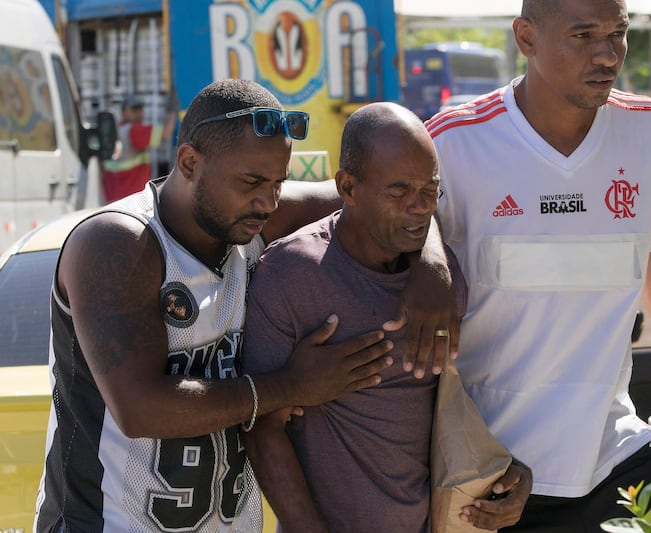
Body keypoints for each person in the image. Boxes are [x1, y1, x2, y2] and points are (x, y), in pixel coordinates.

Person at [33, 79, 456, 532]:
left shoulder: (252, 218)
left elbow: (393, 203)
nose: (269, 200)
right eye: (252, 181)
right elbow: (139, 409)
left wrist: (433, 270)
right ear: (190, 161)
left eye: (279, 183)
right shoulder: (119, 241)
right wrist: (292, 386)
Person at [425, 0, 651, 531]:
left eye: (618, 33)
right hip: (488, 478)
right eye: (584, 35)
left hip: (613, 458)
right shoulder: (451, 144)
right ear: (525, 37)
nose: (608, 54)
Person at [239, 102, 469, 532]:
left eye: (431, 190)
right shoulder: (293, 273)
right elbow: (261, 427)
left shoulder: (439, 283)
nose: (419, 208)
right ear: (347, 186)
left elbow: (462, 399)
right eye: (398, 192)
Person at [101, 93, 176, 202]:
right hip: (131, 199)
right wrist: (172, 111)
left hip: (113, 199)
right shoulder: (134, 131)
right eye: (134, 110)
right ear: (123, 112)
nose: (139, 113)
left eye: (140, 109)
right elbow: (167, 131)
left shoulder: (115, 131)